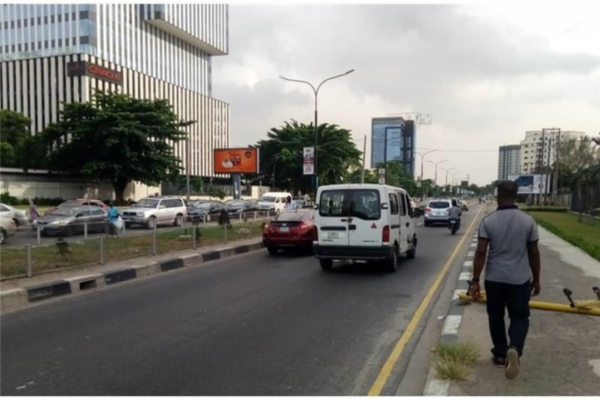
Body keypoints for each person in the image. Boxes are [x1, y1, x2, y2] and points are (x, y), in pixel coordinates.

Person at [470, 180, 541, 380]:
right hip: (519, 280)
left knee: (495, 315)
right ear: (516, 196)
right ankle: (515, 348)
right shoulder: (528, 221)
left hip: (494, 279)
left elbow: (481, 252)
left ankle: (501, 354)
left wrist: (475, 280)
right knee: (519, 316)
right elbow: (534, 253)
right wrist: (536, 280)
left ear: (498, 195)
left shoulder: (488, 222)